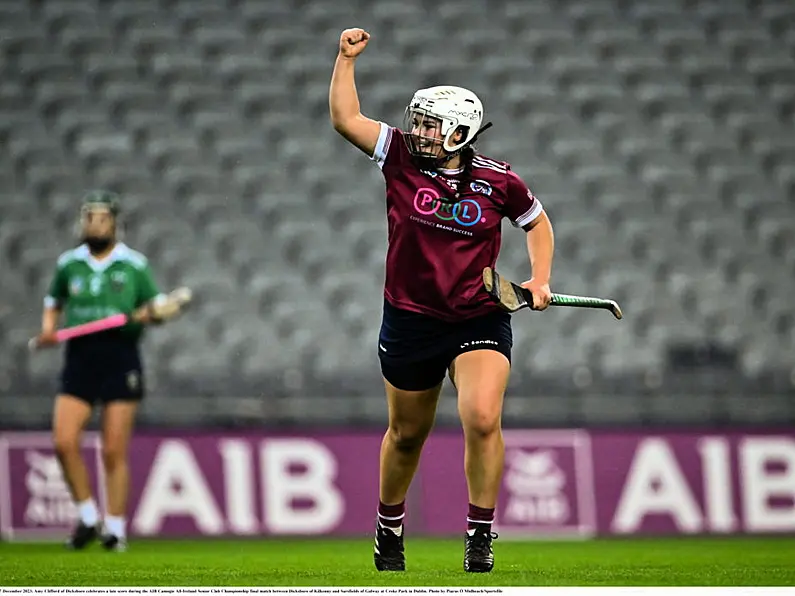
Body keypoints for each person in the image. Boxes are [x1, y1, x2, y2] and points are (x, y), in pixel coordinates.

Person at [329, 29, 555, 573]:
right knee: (407, 435)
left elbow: (537, 222)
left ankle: (479, 535)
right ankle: (388, 526)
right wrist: (344, 59)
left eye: (430, 123)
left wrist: (540, 278)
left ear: (460, 131)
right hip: (409, 318)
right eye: (418, 120)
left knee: (481, 417)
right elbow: (345, 118)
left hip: (478, 313)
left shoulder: (501, 181)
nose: (418, 130)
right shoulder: (399, 156)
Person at [35, 190, 187, 552]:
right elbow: (53, 302)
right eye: (90, 217)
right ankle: (88, 515)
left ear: (115, 223)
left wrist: (153, 314)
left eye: (102, 218)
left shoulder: (132, 264)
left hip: (120, 355)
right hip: (80, 356)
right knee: (64, 441)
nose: (95, 224)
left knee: (113, 450)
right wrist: (48, 328)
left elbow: (156, 308)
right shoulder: (69, 264)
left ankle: (115, 528)